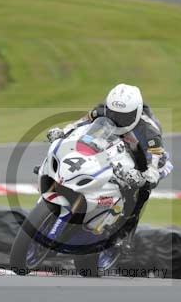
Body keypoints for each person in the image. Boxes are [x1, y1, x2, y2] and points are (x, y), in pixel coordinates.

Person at [46, 84, 173, 262]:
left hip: (145, 158)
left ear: (135, 113)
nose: (118, 119)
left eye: (124, 116)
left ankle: (125, 231)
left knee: (141, 189)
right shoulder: (101, 110)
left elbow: (156, 157)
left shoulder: (149, 129)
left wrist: (149, 174)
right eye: (114, 114)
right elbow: (81, 123)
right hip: (115, 147)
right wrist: (63, 132)